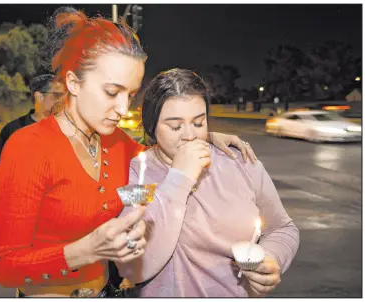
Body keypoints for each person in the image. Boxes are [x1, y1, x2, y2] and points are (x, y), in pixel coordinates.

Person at [0, 7, 258, 298]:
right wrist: (86, 250)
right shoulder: (27, 147)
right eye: (111, 92)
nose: (123, 109)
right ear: (72, 82)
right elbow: (5, 267)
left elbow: (157, 163)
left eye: (130, 95)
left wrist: (198, 135)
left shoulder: (119, 144)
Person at [117, 69, 300, 297]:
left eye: (198, 122)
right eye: (175, 127)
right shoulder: (138, 172)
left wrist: (273, 258)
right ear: (152, 127)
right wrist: (179, 177)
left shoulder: (239, 162)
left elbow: (283, 228)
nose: (190, 135)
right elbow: (133, 268)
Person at [0, 74, 64, 181]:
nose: (62, 100)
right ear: (39, 97)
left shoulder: (70, 130)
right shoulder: (13, 130)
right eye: (57, 95)